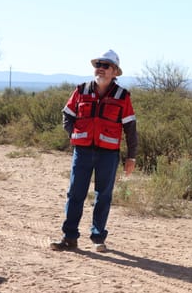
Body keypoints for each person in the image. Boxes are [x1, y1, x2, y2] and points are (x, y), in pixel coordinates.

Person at [51, 50, 138, 252]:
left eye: (106, 65)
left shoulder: (122, 96)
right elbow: (68, 115)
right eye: (98, 64)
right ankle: (69, 237)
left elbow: (130, 129)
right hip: (82, 152)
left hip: (108, 154)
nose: (100, 68)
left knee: (103, 196)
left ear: (115, 72)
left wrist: (131, 156)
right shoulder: (81, 90)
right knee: (75, 194)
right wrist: (75, 135)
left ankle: (98, 237)